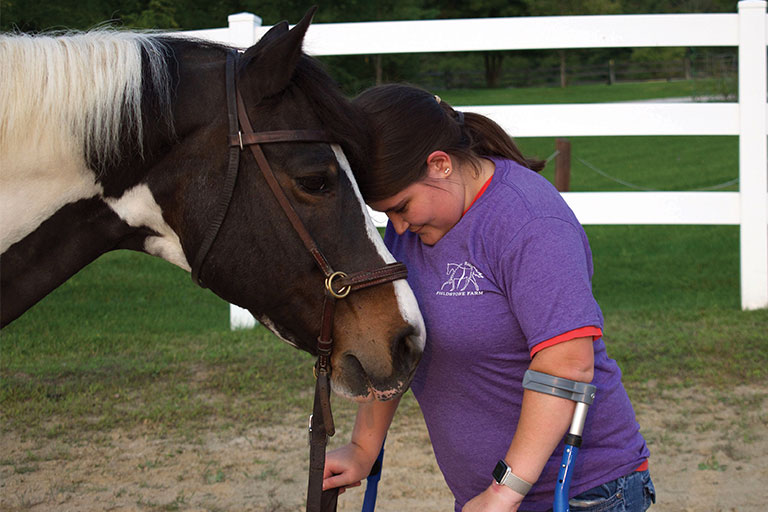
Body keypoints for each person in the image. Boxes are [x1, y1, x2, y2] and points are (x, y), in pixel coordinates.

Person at [323, 83, 655, 512]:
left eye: (401, 207)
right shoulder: (414, 231)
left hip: (583, 492)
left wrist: (505, 490)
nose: (398, 228)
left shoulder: (529, 220)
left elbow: (568, 363)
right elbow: (396, 339)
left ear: (440, 165)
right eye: (386, 214)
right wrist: (362, 448)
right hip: (494, 495)